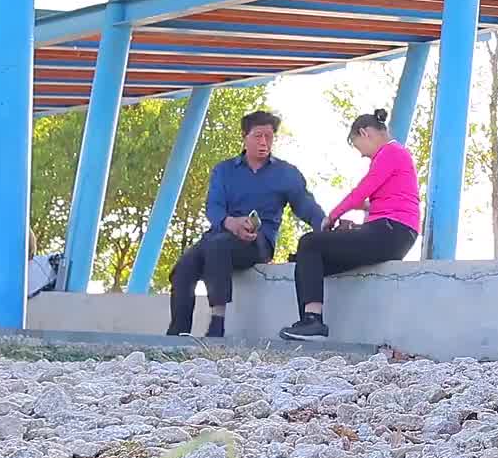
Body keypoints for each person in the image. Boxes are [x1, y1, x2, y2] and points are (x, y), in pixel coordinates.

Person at [167, 110, 322, 338]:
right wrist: (231, 223)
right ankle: (177, 334)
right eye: (258, 136)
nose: (264, 142)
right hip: (220, 233)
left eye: (269, 137)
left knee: (218, 246)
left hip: (258, 242)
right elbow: (214, 207)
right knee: (183, 269)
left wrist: (324, 223)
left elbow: (305, 205)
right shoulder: (224, 170)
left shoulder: (286, 173)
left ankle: (217, 324)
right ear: (244, 136)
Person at [280, 108, 421, 341]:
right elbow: (381, 202)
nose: (363, 155)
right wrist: (355, 228)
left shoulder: (391, 152)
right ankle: (308, 323)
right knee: (309, 259)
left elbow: (361, 192)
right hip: (393, 231)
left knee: (310, 242)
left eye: (359, 147)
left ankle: (313, 321)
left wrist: (331, 217)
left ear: (365, 133)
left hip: (392, 230)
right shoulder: (395, 156)